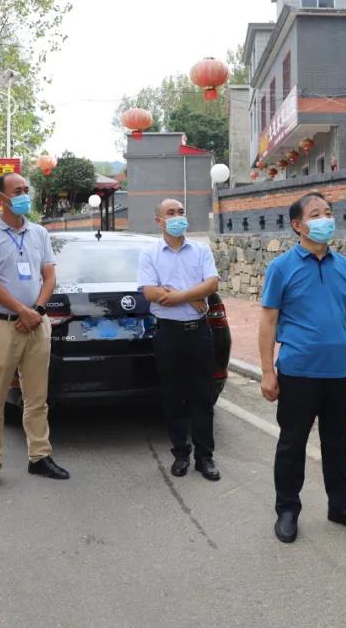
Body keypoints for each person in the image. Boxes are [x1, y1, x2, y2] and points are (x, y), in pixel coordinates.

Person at [259, 192, 346, 544]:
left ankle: (341, 506)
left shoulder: (345, 267)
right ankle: (287, 509)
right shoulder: (282, 267)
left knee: (336, 442)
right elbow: (268, 321)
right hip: (298, 371)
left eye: (328, 212)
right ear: (298, 225)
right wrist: (267, 372)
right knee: (292, 443)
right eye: (316, 214)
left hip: (338, 371)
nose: (325, 219)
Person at [0, 172, 68, 493]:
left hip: (37, 324)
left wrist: (36, 311)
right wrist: (22, 311)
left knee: (37, 397)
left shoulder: (39, 232)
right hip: (3, 325)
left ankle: (39, 456)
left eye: (26, 189)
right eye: (17, 191)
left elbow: (49, 276)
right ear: (1, 197)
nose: (24, 195)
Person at [137, 198, 221, 481]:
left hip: (199, 333)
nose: (177, 217)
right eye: (170, 213)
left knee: (202, 397)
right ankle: (181, 454)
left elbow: (212, 283)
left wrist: (178, 295)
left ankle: (205, 457)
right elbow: (150, 292)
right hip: (168, 334)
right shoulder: (150, 254)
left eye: (181, 212)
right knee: (173, 397)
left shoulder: (200, 250)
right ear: (159, 221)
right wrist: (193, 296)